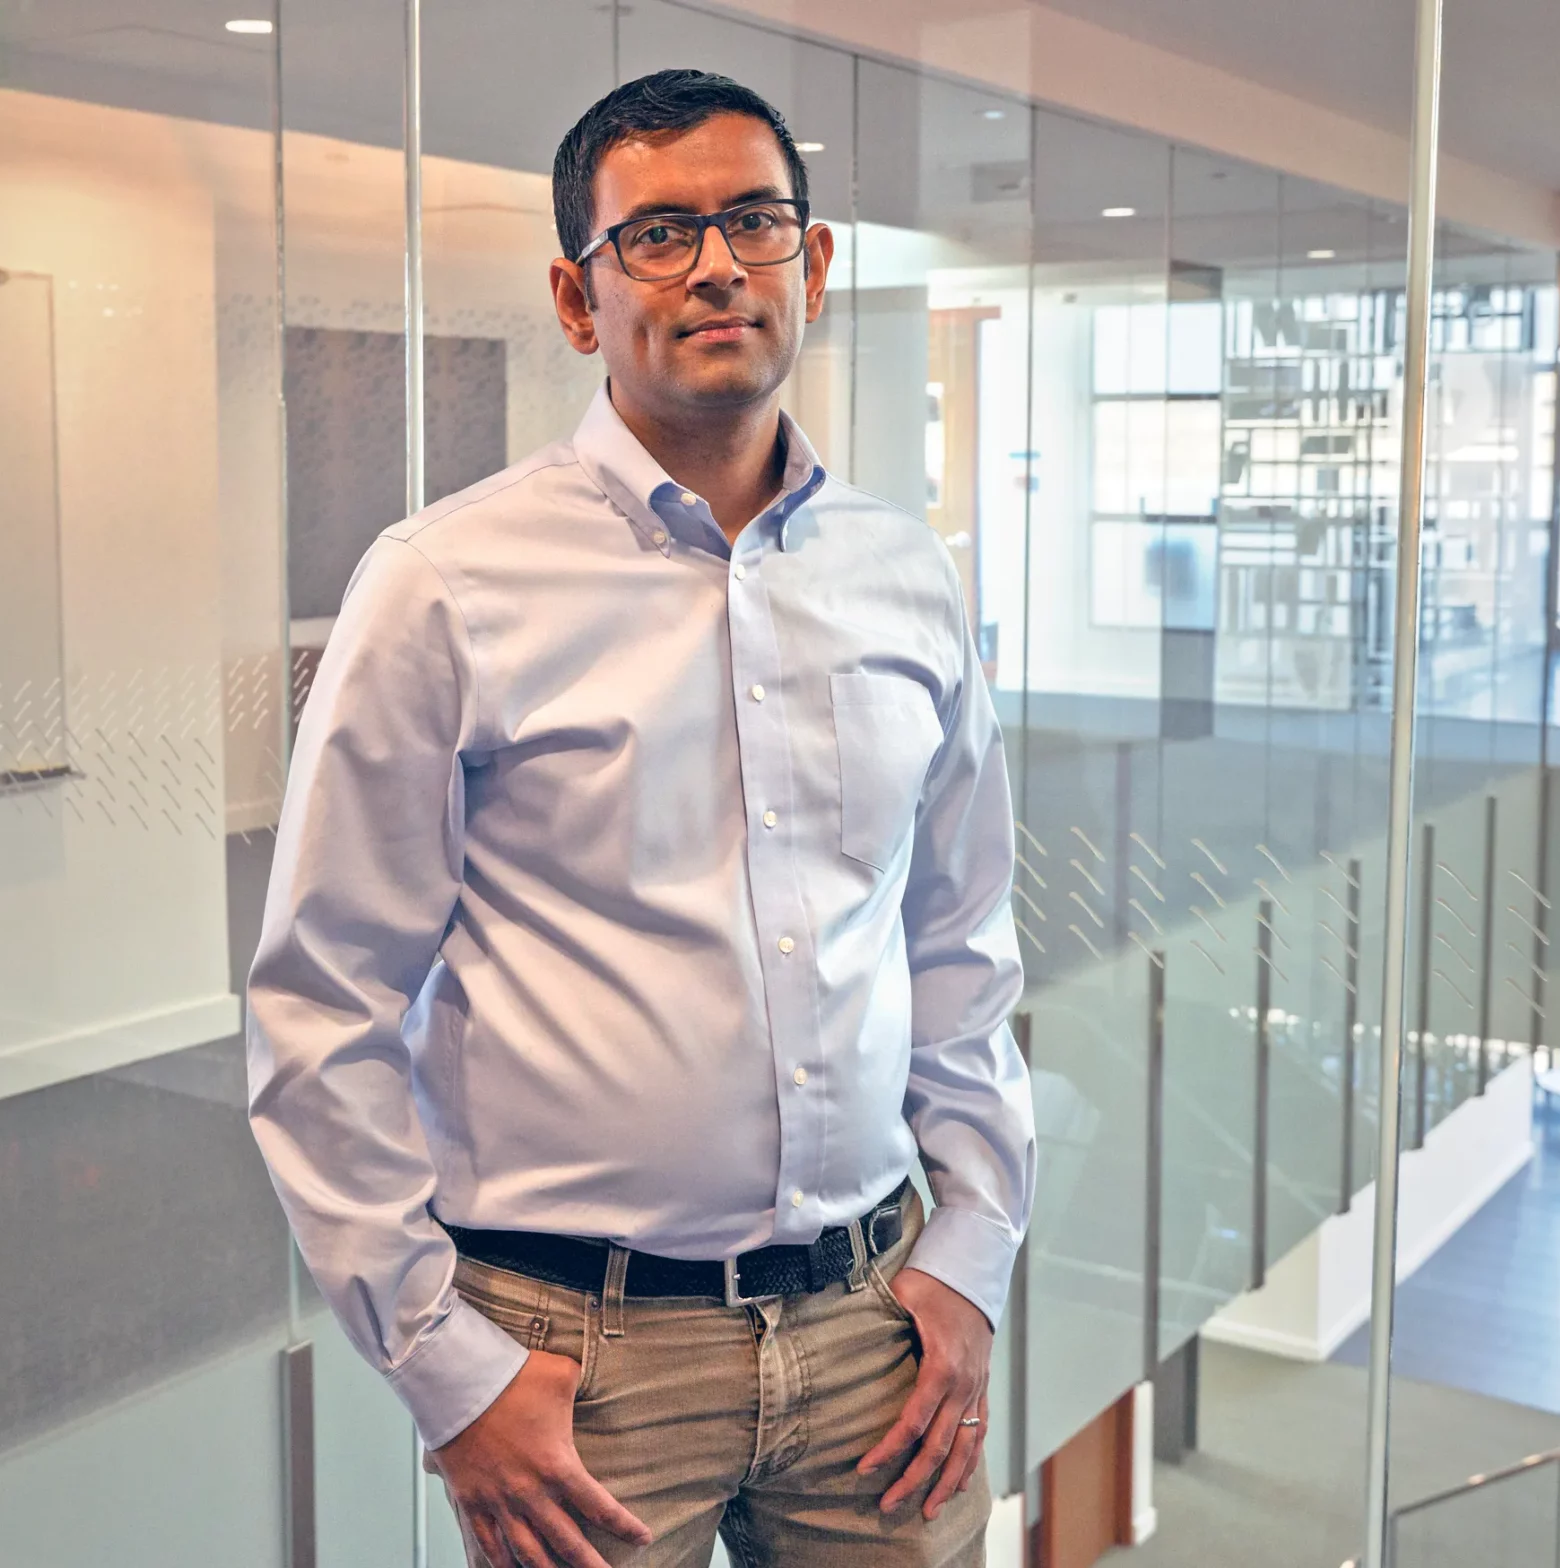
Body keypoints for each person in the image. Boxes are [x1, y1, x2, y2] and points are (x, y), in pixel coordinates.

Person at [247, 68, 1034, 1568]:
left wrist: (975, 1253)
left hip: (881, 1332)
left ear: (811, 265)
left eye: (753, 221)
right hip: (581, 1365)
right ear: (575, 294)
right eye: (659, 234)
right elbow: (322, 1008)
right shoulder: (442, 583)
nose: (719, 264)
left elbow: (959, 944)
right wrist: (445, 1371)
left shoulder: (904, 574)